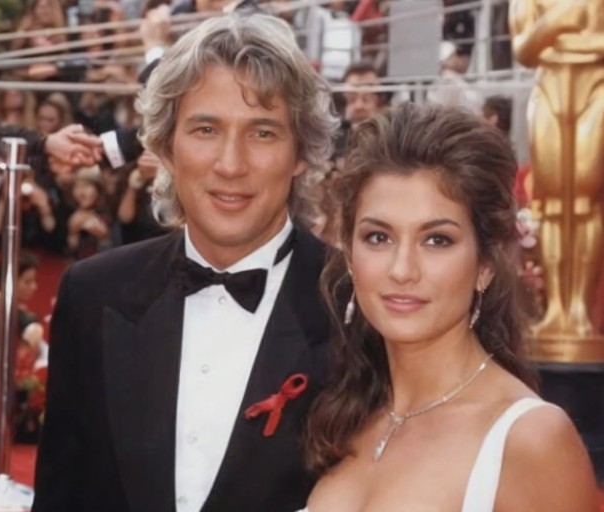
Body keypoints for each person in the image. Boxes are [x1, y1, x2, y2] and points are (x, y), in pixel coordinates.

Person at [33, 13, 339, 512]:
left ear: (301, 152)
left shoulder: (356, 305)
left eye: (262, 133)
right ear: (166, 147)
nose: (230, 164)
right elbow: (63, 495)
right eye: (205, 129)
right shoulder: (92, 293)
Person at [298, 103, 599, 512]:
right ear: (349, 255)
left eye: (437, 240)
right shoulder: (343, 416)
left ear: (485, 264)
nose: (402, 269)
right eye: (378, 237)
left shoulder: (530, 439)